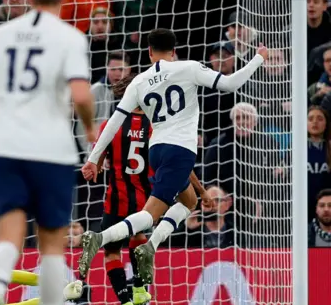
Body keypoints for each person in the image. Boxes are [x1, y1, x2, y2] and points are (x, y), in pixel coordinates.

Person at [77, 28, 267, 286]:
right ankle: (102, 237)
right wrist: (258, 59)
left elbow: (113, 122)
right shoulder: (188, 68)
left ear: (149, 52)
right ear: (174, 51)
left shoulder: (139, 81)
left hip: (156, 150)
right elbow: (231, 83)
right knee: (152, 213)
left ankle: (151, 245)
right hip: (181, 149)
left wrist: (92, 157)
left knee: (189, 200)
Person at [0, 0, 96, 305]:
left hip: (7, 147)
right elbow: (81, 94)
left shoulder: (2, 34)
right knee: (51, 245)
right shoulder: (70, 38)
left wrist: (3, 110)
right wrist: (90, 128)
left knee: (8, 236)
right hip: (51, 150)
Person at [78, 76, 207, 305]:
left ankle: (125, 304)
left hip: (116, 196)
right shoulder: (157, 126)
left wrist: (95, 163)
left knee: (112, 253)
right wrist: (200, 191)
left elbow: (98, 156)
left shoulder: (110, 125)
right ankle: (138, 288)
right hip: (145, 199)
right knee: (138, 236)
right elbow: (176, 162)